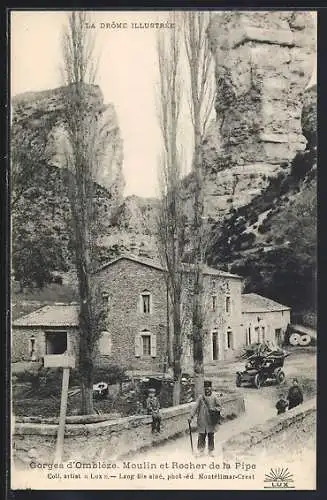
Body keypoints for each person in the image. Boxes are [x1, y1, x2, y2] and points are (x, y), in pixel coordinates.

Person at [188, 380, 222, 457]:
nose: (207, 389)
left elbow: (220, 407)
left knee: (211, 436)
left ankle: (210, 451)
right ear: (204, 388)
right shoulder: (200, 397)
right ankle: (201, 451)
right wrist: (191, 416)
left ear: (211, 388)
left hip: (210, 420)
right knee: (201, 436)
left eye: (209, 387)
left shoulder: (214, 397)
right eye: (206, 388)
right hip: (202, 420)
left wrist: (213, 409)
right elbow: (195, 407)